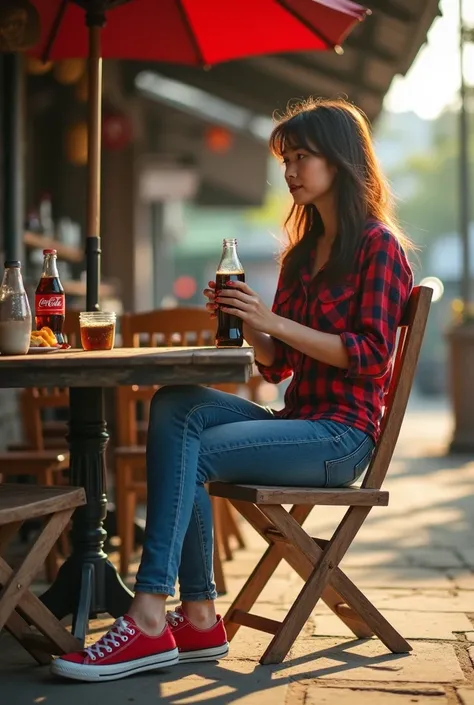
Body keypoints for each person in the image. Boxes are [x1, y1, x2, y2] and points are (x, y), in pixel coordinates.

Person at [51, 98, 414, 682]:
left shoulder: (379, 246)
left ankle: (153, 613)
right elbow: (277, 367)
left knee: (188, 450)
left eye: (303, 157)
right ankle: (195, 618)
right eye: (287, 159)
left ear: (342, 162)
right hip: (300, 420)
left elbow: (370, 358)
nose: (291, 170)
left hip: (342, 438)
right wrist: (247, 320)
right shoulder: (302, 257)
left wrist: (272, 322)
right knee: (176, 403)